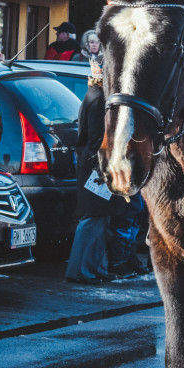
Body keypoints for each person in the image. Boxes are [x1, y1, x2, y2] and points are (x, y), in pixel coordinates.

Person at [66, 56, 116, 285]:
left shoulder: (95, 96)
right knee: (92, 218)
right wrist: (105, 165)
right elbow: (97, 139)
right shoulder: (98, 99)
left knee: (100, 218)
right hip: (95, 167)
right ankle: (81, 271)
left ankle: (95, 269)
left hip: (94, 165)